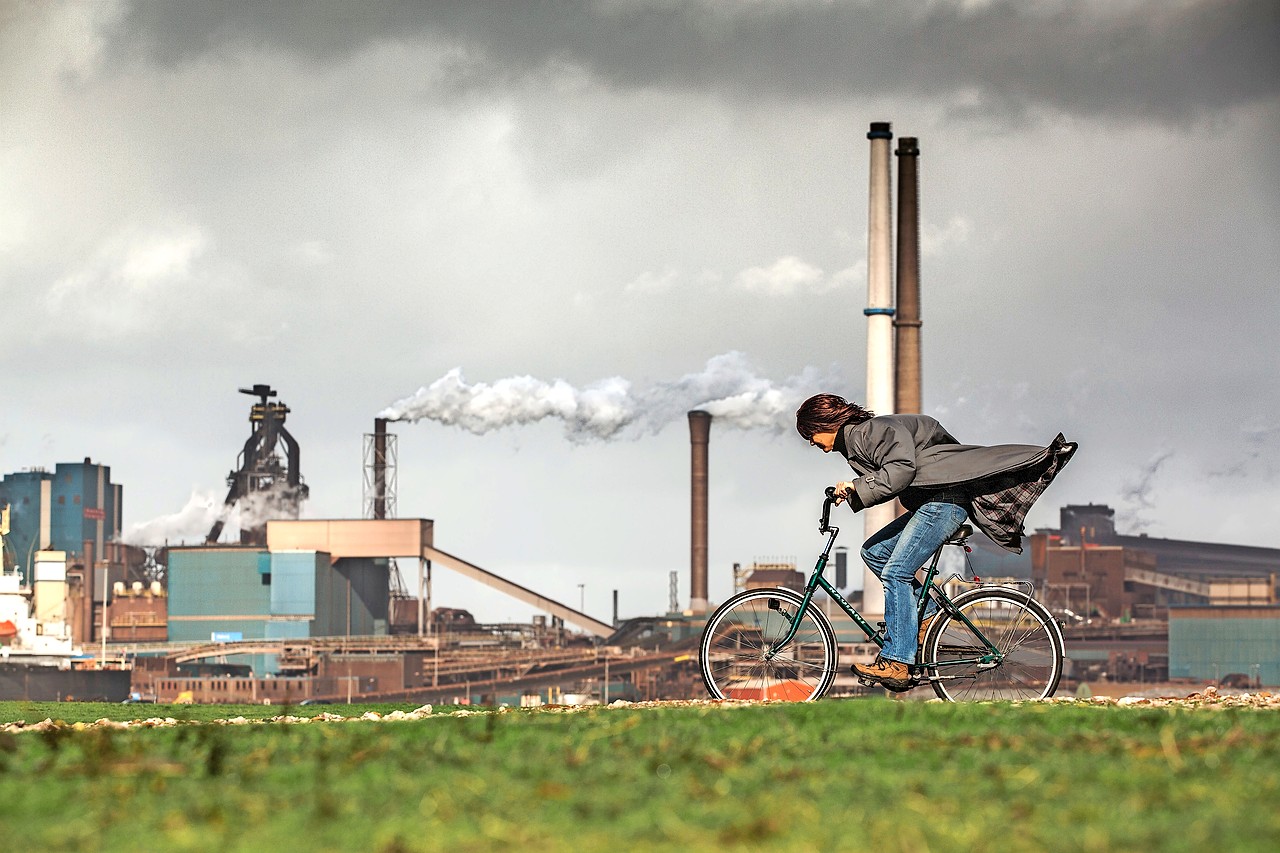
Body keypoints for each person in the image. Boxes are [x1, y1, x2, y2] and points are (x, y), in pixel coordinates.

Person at [795, 393, 1077, 691]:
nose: (812, 443)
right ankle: (926, 619)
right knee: (875, 552)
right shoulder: (857, 441)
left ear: (825, 422)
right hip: (931, 502)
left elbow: (901, 470)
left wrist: (857, 485)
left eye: (811, 435)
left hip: (942, 502)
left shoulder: (870, 432)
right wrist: (854, 492)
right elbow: (893, 475)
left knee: (896, 572)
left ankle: (897, 662)